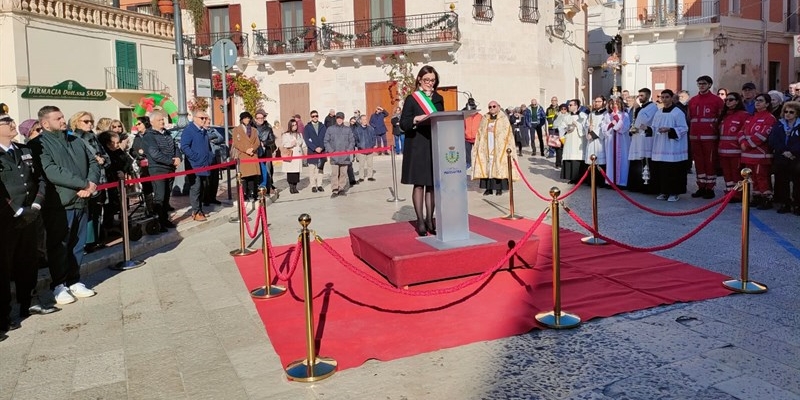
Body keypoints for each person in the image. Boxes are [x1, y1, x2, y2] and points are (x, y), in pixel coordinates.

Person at [29, 106, 99, 305]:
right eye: (58, 118)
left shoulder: (76, 140)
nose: (63, 120)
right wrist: (82, 183)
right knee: (59, 245)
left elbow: (93, 162)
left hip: (82, 200)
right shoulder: (38, 144)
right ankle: (59, 285)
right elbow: (51, 170)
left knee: (78, 243)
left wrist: (91, 184)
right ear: (45, 123)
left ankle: (74, 280)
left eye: (62, 116)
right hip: (60, 203)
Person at [0, 114, 52, 337]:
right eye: (6, 122)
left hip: (30, 215)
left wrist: (37, 204)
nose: (12, 124)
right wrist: (18, 210)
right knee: (4, 267)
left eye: (12, 121)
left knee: (28, 260)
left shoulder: (24, 150)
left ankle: (28, 301)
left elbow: (38, 179)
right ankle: (4, 314)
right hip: (6, 219)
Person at [399, 65, 445, 236]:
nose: (429, 83)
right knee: (419, 184)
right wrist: (416, 118)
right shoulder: (412, 99)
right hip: (417, 144)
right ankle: (420, 220)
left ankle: (429, 219)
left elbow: (442, 118)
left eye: (432, 80)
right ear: (419, 79)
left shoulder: (439, 98)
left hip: (433, 143)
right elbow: (403, 123)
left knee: (432, 185)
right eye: (426, 80)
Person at [69, 111, 108, 252]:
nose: (90, 124)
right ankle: (86, 243)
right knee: (87, 213)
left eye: (91, 121)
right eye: (85, 121)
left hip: (101, 179)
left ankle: (95, 240)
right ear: (76, 122)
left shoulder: (94, 137)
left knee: (97, 211)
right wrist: (95, 160)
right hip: (85, 182)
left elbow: (105, 156)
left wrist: (102, 159)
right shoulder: (73, 138)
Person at [142, 110, 180, 231]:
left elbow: (175, 146)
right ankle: (158, 222)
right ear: (152, 122)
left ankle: (164, 219)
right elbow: (155, 154)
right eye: (159, 120)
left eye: (163, 119)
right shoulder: (149, 136)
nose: (162, 121)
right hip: (158, 169)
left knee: (167, 195)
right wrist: (171, 161)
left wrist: (178, 157)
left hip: (170, 169)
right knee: (160, 196)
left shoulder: (167, 133)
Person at [687, 75, 724, 199]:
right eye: (699, 83)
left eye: (704, 83)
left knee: (710, 162)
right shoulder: (692, 100)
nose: (701, 85)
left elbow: (721, 119)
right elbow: (689, 118)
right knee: (698, 163)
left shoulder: (717, 100)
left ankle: (710, 187)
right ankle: (701, 186)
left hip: (710, 137)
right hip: (695, 137)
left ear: (709, 85)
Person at [472, 100, 517, 196]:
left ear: (498, 107)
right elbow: (480, 132)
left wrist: (494, 130)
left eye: (494, 106)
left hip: (499, 147)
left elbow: (506, 133)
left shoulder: (503, 118)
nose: (492, 108)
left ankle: (499, 189)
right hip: (487, 147)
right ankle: (488, 188)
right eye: (490, 107)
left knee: (498, 166)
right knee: (488, 167)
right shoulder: (485, 118)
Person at [650, 90, 689, 202]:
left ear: (672, 98)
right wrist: (647, 129)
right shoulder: (658, 112)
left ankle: (674, 192)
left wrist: (670, 129)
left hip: (673, 147)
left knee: (673, 171)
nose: (664, 99)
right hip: (660, 146)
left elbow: (684, 128)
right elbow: (654, 127)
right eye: (662, 97)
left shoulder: (678, 112)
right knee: (662, 170)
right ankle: (664, 191)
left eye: (667, 97)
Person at [739, 93, 777, 209]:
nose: (757, 103)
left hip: (761, 155)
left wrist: (747, 144)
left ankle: (766, 199)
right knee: (753, 177)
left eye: (760, 101)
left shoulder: (770, 118)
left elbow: (763, 135)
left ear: (767, 104)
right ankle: (756, 197)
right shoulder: (751, 118)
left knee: (762, 177)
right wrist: (742, 142)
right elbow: (741, 132)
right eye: (756, 100)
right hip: (748, 154)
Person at [97, 130, 134, 234]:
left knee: (117, 205)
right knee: (108, 206)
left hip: (118, 182)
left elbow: (126, 161)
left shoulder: (118, 152)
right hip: (108, 182)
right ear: (108, 144)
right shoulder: (105, 153)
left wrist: (124, 170)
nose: (118, 145)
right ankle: (106, 227)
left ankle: (114, 223)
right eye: (116, 143)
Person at [180, 111, 214, 221]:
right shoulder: (189, 130)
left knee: (203, 187)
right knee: (196, 188)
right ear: (194, 118)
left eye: (205, 118)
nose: (204, 120)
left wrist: (209, 157)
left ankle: (200, 209)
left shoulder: (203, 131)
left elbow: (207, 147)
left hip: (204, 164)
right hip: (194, 165)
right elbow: (184, 147)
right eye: (202, 118)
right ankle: (196, 211)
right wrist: (195, 157)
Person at [769, 101, 800, 214]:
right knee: (782, 180)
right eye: (786, 111)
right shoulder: (779, 124)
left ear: (797, 114)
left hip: (796, 157)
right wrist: (784, 151)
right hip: (782, 156)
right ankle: (785, 203)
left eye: (791, 112)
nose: (788, 114)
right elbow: (773, 140)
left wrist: (792, 152)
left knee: (797, 182)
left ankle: (797, 204)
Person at [717, 92, 749, 202]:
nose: (728, 102)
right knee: (727, 175)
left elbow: (745, 132)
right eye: (726, 100)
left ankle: (738, 195)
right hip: (723, 151)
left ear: (737, 101)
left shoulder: (743, 115)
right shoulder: (724, 115)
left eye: (731, 100)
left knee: (736, 174)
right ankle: (729, 193)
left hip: (736, 151)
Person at [627, 88, 658, 192]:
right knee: (636, 162)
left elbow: (645, 120)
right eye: (639, 95)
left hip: (645, 139)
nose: (640, 98)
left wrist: (638, 109)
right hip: (636, 138)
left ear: (648, 96)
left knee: (644, 161)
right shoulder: (640, 107)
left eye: (642, 95)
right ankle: (635, 185)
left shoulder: (652, 107)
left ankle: (646, 186)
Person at [232, 112, 261, 202]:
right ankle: (244, 194)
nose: (247, 120)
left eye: (248, 118)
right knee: (244, 177)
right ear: (241, 119)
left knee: (253, 176)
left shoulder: (254, 130)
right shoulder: (236, 130)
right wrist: (246, 150)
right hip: (243, 155)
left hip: (252, 155)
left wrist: (252, 148)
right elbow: (236, 143)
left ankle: (253, 193)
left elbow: (257, 142)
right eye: (245, 118)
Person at [324, 112, 355, 198]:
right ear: (336, 119)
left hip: (345, 156)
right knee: (334, 174)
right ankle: (334, 189)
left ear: (343, 119)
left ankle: (341, 188)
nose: (339, 120)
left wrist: (348, 151)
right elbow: (326, 141)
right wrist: (331, 151)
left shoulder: (347, 129)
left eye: (341, 118)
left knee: (343, 173)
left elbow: (352, 141)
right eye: (338, 118)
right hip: (334, 156)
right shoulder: (330, 129)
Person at [560, 99, 588, 184]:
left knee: (578, 157)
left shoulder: (583, 116)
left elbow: (586, 128)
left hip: (579, 140)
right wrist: (565, 129)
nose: (568, 106)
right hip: (569, 139)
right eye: (569, 105)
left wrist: (578, 125)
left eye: (570, 105)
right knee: (569, 156)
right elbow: (561, 127)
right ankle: (571, 177)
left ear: (576, 106)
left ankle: (581, 178)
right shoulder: (566, 116)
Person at [280, 119, 307, 194]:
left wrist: (305, 153)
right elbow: (284, 144)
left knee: (296, 172)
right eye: (293, 125)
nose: (294, 126)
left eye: (295, 125)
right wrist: (291, 144)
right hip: (291, 155)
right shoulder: (286, 135)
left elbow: (303, 144)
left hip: (298, 155)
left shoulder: (299, 134)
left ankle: (295, 186)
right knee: (291, 172)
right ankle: (291, 187)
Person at [585, 96, 607, 185]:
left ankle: (601, 181)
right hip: (591, 141)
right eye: (595, 101)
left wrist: (593, 134)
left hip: (599, 141)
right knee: (591, 159)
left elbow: (603, 127)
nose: (596, 103)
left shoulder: (606, 114)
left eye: (598, 101)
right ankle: (591, 181)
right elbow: (586, 125)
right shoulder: (591, 114)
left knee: (600, 159)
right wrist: (588, 129)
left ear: (604, 102)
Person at [254, 109, 276, 194]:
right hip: (255, 153)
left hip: (266, 152)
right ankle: (258, 188)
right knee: (257, 171)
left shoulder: (268, 128)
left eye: (262, 118)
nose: (260, 119)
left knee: (267, 170)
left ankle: (268, 187)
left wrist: (264, 143)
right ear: (255, 118)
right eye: (258, 118)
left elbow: (272, 139)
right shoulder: (252, 128)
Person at [303, 110, 326, 193]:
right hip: (312, 151)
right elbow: (307, 140)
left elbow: (325, 138)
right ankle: (313, 185)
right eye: (313, 116)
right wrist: (315, 148)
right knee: (312, 169)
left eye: (316, 116)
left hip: (322, 150)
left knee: (320, 169)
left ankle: (319, 184)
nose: (315, 117)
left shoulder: (322, 126)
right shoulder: (307, 127)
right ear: (311, 117)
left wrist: (321, 147)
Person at [354, 114, 377, 182]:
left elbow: (374, 137)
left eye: (365, 119)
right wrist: (359, 145)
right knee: (361, 165)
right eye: (363, 120)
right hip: (362, 150)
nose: (364, 121)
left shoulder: (370, 128)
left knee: (370, 164)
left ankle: (370, 176)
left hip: (369, 149)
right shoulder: (357, 129)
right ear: (360, 121)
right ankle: (361, 177)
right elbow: (355, 139)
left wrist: (372, 145)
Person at [463, 98, 480, 170]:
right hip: (467, 138)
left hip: (477, 138)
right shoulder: (465, 116)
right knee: (467, 153)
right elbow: (463, 126)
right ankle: (468, 163)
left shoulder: (480, 116)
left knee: (478, 152)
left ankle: (479, 164)